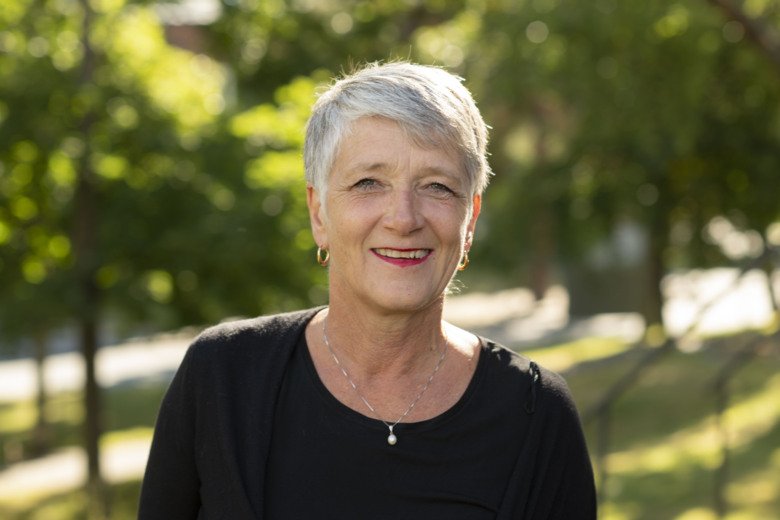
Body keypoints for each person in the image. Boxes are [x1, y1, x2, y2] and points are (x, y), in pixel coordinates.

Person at [138, 61, 596, 519]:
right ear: (319, 213)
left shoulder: (535, 414)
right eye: (368, 183)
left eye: (436, 186)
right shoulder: (223, 379)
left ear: (470, 218)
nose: (403, 217)